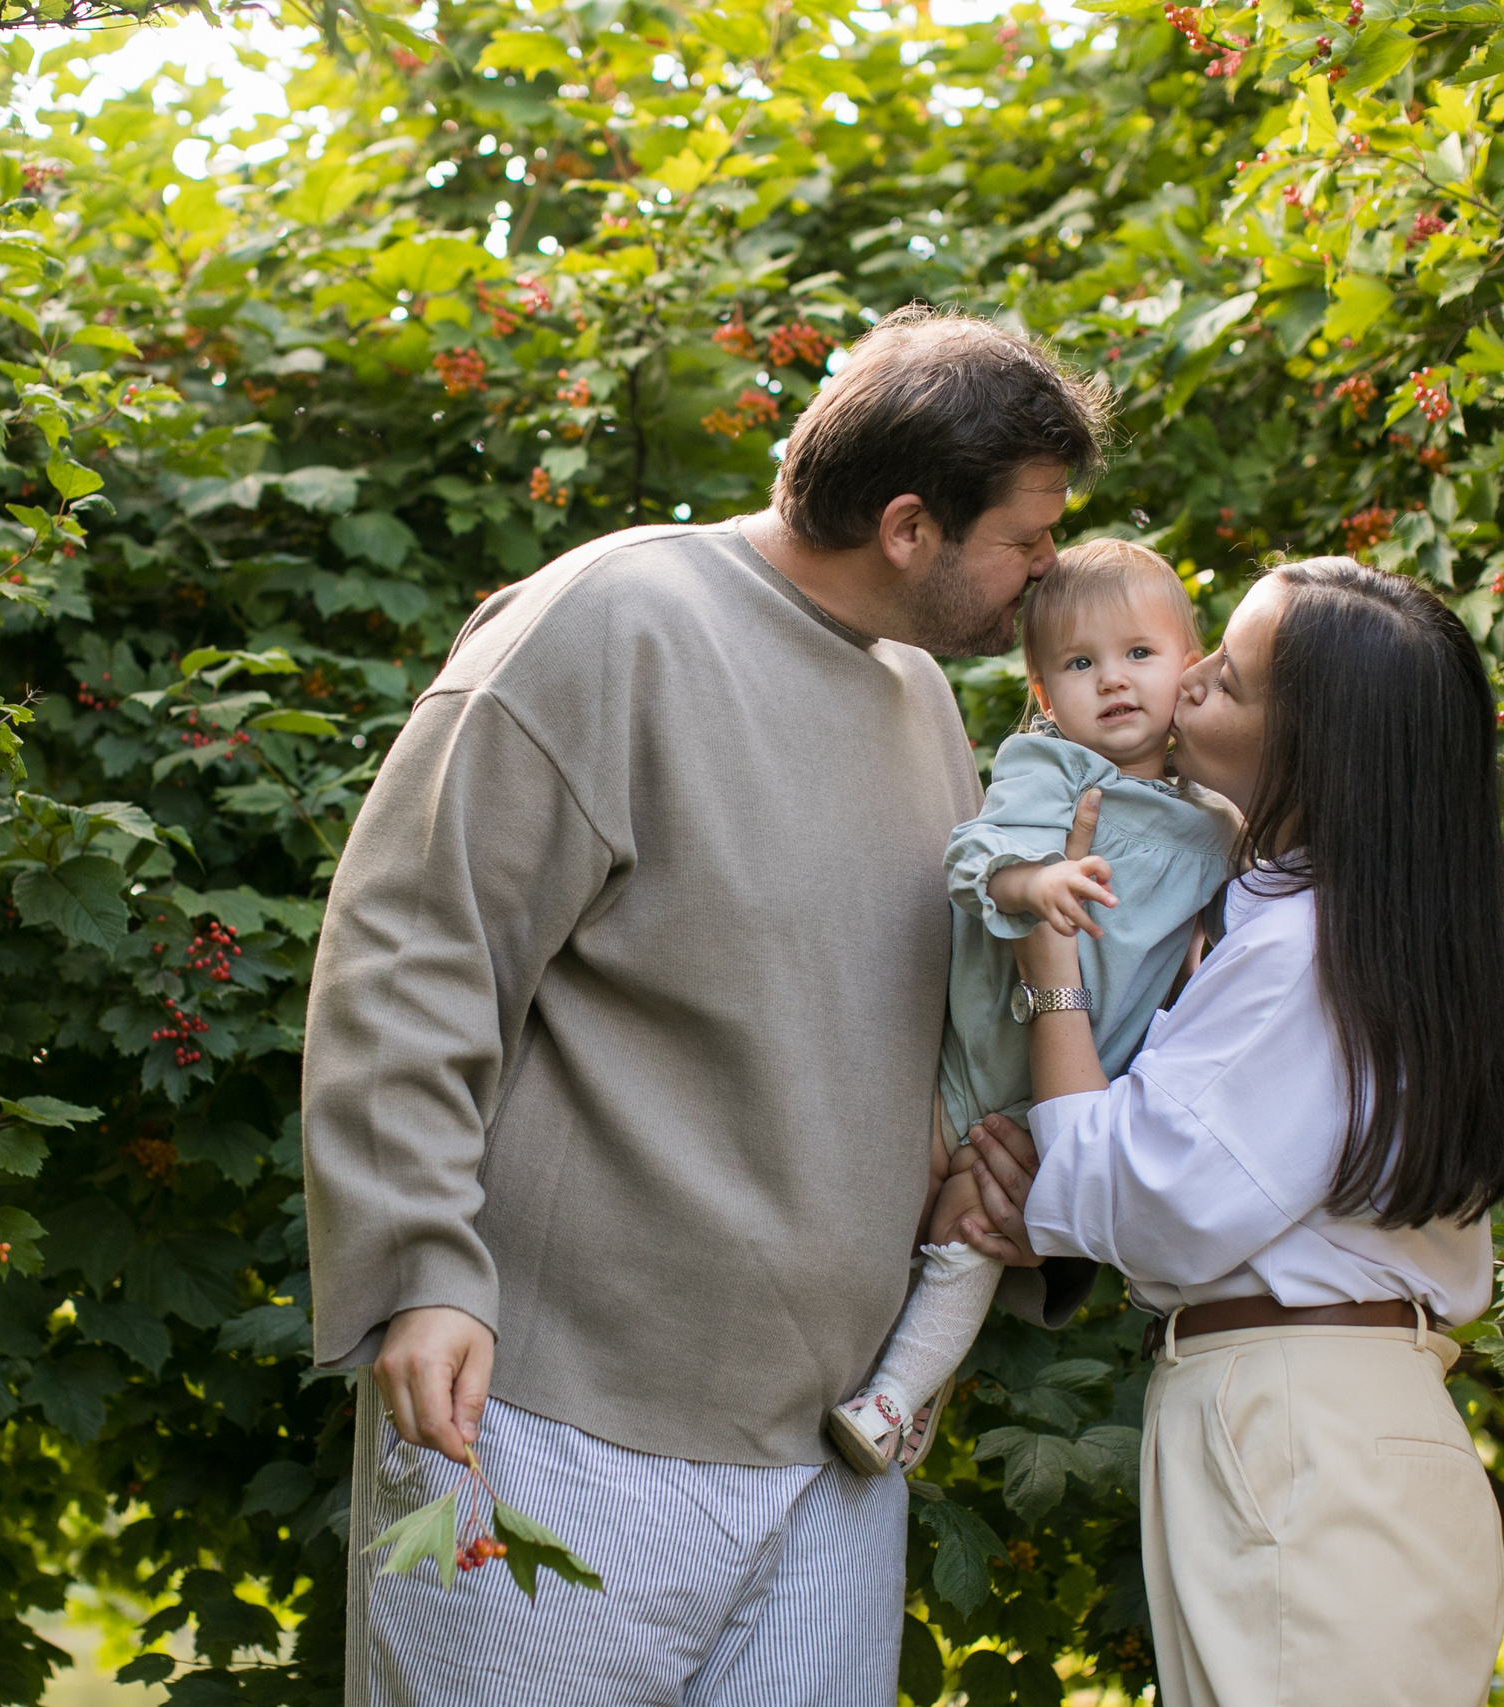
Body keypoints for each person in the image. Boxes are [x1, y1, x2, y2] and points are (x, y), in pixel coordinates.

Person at [300, 306, 1108, 1706]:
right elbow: (415, 953)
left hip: (832, 1461)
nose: (1050, 569)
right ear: (910, 525)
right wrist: (420, 1261)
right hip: (551, 1425)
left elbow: (900, 1027)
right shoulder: (612, 622)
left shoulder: (923, 702)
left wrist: (977, 1168)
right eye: (1030, 536)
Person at [945, 558, 1504, 1706]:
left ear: (1313, 750)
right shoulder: (1357, 938)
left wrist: (1049, 971)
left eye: (1226, 676)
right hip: (1319, 1420)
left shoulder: (1305, 957)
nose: (1185, 682)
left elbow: (1140, 1206)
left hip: (1298, 1425)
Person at [827, 539, 1238, 1473]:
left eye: (1141, 654)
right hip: (968, 1057)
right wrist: (1034, 879)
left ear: (1191, 663)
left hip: (1062, 1089)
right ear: (1044, 691)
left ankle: (897, 1395)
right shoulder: (1047, 770)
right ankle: (879, 1366)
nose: (1115, 682)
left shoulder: (1217, 826)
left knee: (975, 1223)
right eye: (1080, 664)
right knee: (886, 1197)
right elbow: (975, 855)